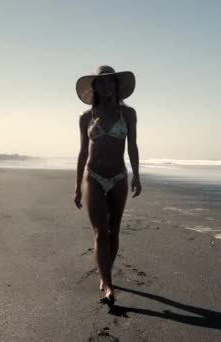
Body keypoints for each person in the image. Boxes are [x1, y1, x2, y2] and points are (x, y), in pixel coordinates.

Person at [74, 65, 142, 306]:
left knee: (114, 229)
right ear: (95, 88)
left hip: (119, 177)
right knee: (100, 231)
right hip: (93, 176)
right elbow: (83, 152)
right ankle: (109, 285)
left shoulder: (129, 114)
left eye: (109, 82)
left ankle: (105, 274)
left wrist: (137, 175)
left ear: (116, 86)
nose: (106, 86)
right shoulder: (86, 118)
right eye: (100, 83)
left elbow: (132, 146)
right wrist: (76, 186)